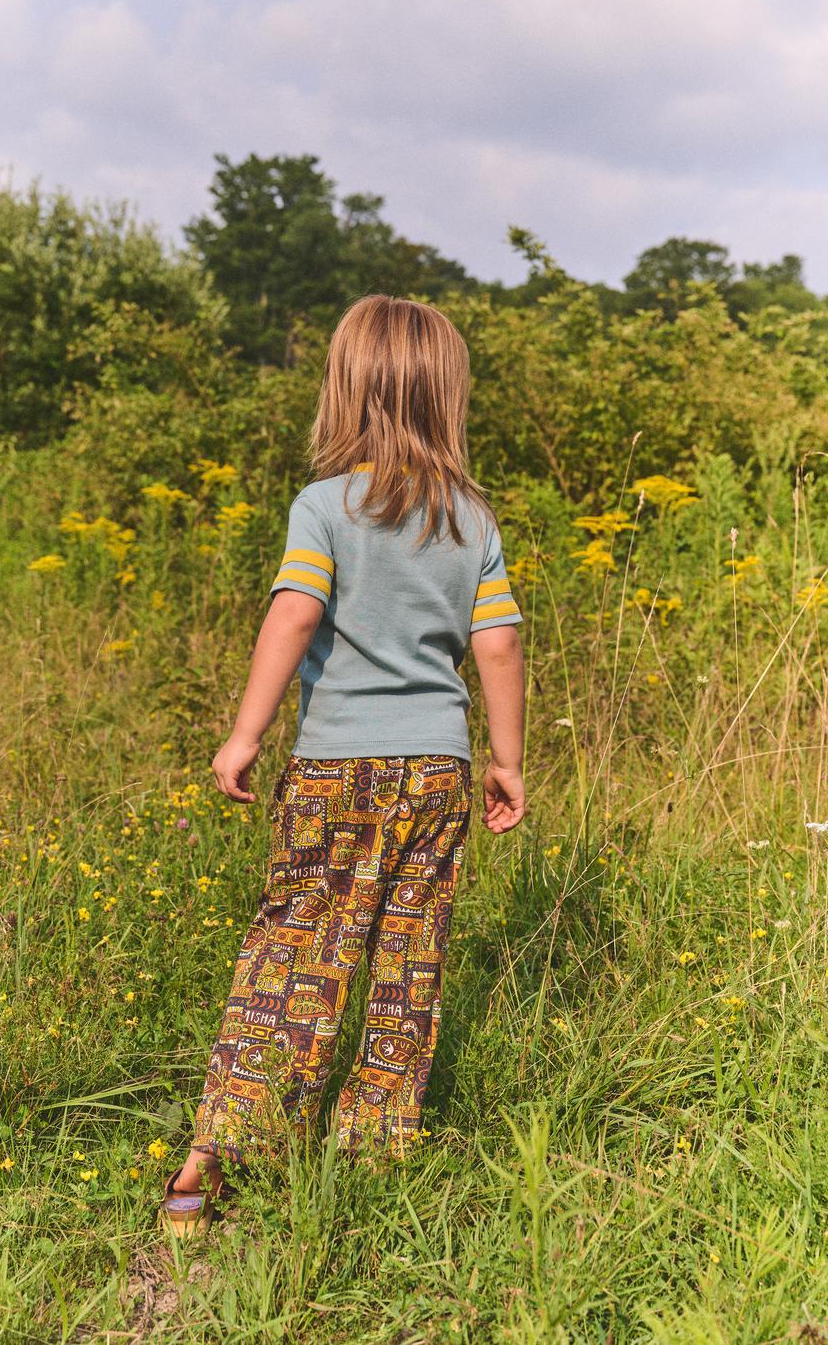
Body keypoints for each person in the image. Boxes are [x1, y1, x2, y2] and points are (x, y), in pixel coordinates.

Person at [161, 294, 526, 1236]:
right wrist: (508, 759)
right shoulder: (471, 520)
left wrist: (245, 734)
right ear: (447, 396)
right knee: (408, 957)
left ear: (345, 390)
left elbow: (292, 615)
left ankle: (217, 1162)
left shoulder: (324, 506)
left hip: (334, 771)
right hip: (437, 771)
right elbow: (498, 647)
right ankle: (372, 1153)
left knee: (295, 952)